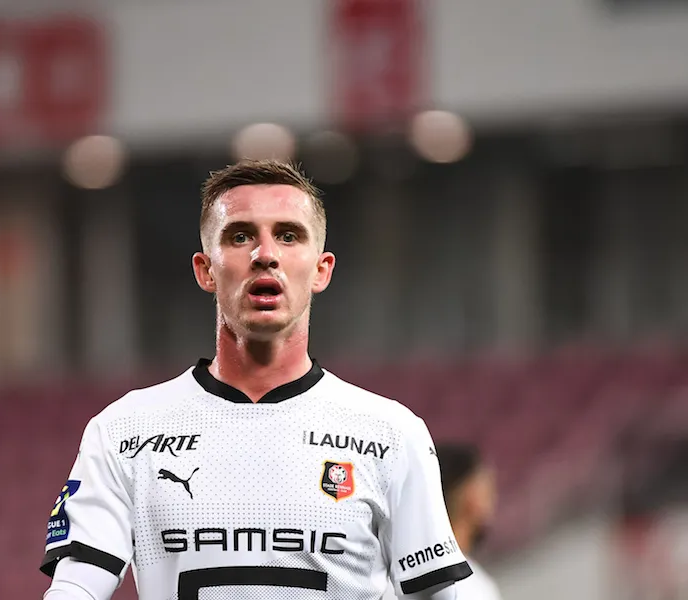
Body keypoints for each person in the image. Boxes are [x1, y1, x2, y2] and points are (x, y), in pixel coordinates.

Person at [40, 159, 472, 600]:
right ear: (206, 270)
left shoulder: (391, 435)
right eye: (240, 236)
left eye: (288, 235)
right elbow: (77, 587)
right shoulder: (124, 431)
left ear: (321, 270)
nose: (265, 254)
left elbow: (436, 596)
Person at [434, 443, 503, 600]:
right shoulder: (474, 588)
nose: (493, 496)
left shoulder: (396, 573)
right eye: (485, 485)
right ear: (470, 494)